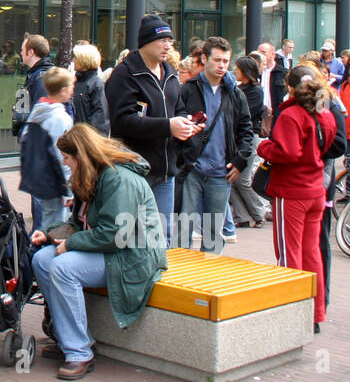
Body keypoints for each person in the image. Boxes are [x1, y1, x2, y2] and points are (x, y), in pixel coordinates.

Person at [31, 123, 167, 380]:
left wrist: (70, 244)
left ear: (81, 156)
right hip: (109, 248)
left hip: (131, 255)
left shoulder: (118, 179)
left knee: (62, 267)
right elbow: (79, 223)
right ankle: (68, 336)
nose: (66, 164)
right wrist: (51, 235)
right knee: (41, 260)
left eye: (68, 158)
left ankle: (79, 352)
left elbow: (116, 234)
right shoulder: (92, 174)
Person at [104, 14, 199, 246]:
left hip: (166, 172)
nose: (168, 45)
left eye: (171, 41)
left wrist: (186, 123)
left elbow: (180, 108)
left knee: (161, 240)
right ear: (146, 42)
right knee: (130, 239)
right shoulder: (125, 74)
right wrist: (169, 126)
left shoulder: (169, 73)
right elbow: (123, 121)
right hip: (134, 173)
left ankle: (157, 280)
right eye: (162, 40)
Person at [258, 67, 339, 330]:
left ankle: (292, 312)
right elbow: (328, 146)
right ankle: (314, 313)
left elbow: (288, 152)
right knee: (311, 252)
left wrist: (263, 146)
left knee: (288, 254)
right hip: (316, 188)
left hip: (291, 191)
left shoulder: (291, 115)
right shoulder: (324, 113)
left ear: (290, 88)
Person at [177, 36, 255, 253]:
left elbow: (246, 130)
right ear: (205, 58)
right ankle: (177, 277)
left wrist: (241, 159)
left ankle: (207, 279)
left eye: (226, 61)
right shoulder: (188, 89)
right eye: (217, 60)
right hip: (191, 169)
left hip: (221, 171)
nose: (222, 66)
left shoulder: (234, 93)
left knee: (213, 234)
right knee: (183, 229)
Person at [21, 66, 75, 230]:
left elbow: (25, 137)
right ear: (64, 90)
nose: (74, 90)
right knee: (56, 226)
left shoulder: (39, 111)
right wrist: (68, 188)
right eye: (72, 86)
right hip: (55, 182)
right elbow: (63, 156)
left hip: (40, 177)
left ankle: (38, 251)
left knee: (44, 221)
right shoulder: (61, 118)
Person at [229, 55, 269, 228]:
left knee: (242, 180)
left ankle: (259, 213)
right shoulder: (239, 89)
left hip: (249, 138)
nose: (235, 71)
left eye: (237, 69)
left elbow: (243, 115)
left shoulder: (255, 91)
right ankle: (242, 216)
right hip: (237, 138)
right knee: (230, 179)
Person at [12, 34, 56, 136]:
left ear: (31, 52)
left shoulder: (42, 77)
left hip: (36, 139)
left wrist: (25, 134)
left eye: (23, 49)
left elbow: (40, 113)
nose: (21, 53)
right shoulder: (39, 75)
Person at [71, 43, 109, 136]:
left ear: (83, 60)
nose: (73, 60)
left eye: (76, 57)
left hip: (86, 140)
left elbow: (100, 118)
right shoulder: (75, 81)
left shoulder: (96, 84)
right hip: (75, 138)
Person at [268, 38, 294, 111]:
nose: (291, 49)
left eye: (292, 48)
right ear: (284, 47)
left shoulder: (290, 57)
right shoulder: (277, 57)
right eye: (290, 47)